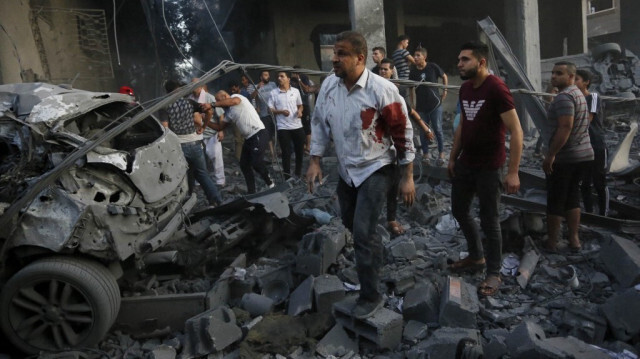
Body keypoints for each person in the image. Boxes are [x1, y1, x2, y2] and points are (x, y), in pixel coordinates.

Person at [306, 31, 416, 319]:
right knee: (355, 228)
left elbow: (402, 132)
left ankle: (371, 295)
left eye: (341, 53)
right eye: (334, 53)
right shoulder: (330, 85)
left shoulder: (381, 89)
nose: (334, 58)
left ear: (360, 58)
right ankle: (374, 262)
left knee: (364, 232)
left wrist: (407, 176)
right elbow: (318, 123)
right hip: (346, 170)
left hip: (376, 167)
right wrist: (315, 160)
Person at [447, 41, 523, 297]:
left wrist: (512, 171)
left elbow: (516, 130)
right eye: (459, 59)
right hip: (466, 162)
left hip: (490, 167)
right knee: (459, 210)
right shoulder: (466, 88)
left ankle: (493, 271)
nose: (459, 64)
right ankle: (476, 256)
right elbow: (462, 126)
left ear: (481, 62)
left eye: (465, 59)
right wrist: (452, 157)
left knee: (490, 220)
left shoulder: (497, 88)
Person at [379, 57, 434, 236]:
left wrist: (425, 128)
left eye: (386, 69)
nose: (383, 72)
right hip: (375, 146)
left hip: (394, 144)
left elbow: (411, 112)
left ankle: (391, 218)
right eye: (381, 69)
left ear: (392, 72)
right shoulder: (372, 90)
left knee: (394, 181)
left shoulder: (397, 92)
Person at [542, 62, 593, 252]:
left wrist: (551, 155)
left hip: (566, 157)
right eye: (553, 73)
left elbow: (565, 127)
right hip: (583, 155)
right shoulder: (578, 94)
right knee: (572, 197)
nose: (554, 76)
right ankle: (574, 240)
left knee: (556, 200)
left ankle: (552, 242)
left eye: (559, 73)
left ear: (571, 77)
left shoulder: (564, 97)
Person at [160, 79, 222, 206]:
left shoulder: (165, 106)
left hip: (179, 146)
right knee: (202, 174)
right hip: (196, 144)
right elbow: (209, 110)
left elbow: (165, 129)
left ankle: (187, 201)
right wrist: (204, 127)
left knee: (183, 176)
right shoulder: (190, 102)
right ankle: (216, 200)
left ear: (167, 91)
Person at [201, 90, 274, 194]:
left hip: (258, 133)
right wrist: (205, 121)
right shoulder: (229, 112)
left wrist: (212, 104)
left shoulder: (236, 97)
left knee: (256, 163)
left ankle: (271, 184)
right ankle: (251, 191)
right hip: (249, 138)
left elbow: (233, 101)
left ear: (225, 96)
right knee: (244, 164)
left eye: (218, 100)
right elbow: (220, 127)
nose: (218, 104)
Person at [576, 69, 609, 216]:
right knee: (584, 183)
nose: (573, 82)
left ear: (586, 82)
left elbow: (587, 119)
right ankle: (589, 214)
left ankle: (603, 214)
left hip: (596, 145)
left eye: (576, 79)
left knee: (599, 182)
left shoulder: (593, 97)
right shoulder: (573, 99)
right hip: (582, 146)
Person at [409, 46, 449, 164]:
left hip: (435, 104)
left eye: (418, 55)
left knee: (437, 129)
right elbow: (411, 88)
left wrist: (445, 90)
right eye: (414, 55)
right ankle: (425, 155)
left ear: (424, 57)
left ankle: (441, 154)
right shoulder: (413, 71)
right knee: (423, 130)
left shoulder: (432, 67)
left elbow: (444, 76)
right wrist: (412, 103)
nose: (415, 58)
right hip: (421, 106)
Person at [268, 71, 306, 180]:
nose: (279, 78)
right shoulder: (274, 93)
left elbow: (300, 105)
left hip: (297, 126)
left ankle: (298, 173)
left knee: (299, 151)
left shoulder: (296, 91)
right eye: (278, 76)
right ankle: (287, 176)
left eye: (282, 76)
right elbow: (269, 109)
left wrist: (300, 111)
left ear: (288, 79)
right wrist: (280, 112)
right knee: (286, 152)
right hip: (283, 127)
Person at [190, 78, 226, 187]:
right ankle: (199, 181)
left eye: (195, 85)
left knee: (216, 156)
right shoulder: (190, 99)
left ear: (201, 86)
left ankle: (220, 180)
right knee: (198, 159)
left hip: (211, 132)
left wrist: (221, 130)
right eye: (191, 85)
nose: (193, 87)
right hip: (196, 134)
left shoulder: (210, 98)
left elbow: (220, 115)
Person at [252, 70, 278, 161]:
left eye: (268, 75)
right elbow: (252, 97)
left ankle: (277, 150)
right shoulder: (256, 86)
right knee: (268, 134)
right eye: (265, 75)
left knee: (276, 132)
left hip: (275, 112)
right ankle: (272, 154)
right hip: (264, 114)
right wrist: (257, 88)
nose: (267, 76)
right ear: (261, 77)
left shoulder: (273, 84)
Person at [291, 65, 314, 154]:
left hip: (304, 104)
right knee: (298, 126)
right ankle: (302, 146)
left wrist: (299, 79)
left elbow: (307, 90)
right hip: (295, 106)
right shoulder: (291, 79)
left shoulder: (304, 77)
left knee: (307, 126)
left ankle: (308, 147)